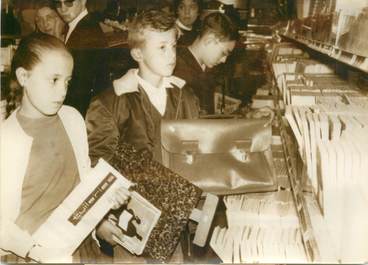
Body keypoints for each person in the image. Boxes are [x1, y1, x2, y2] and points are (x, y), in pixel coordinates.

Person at [0, 32, 129, 263]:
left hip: (79, 246)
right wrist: (36, 251)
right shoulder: (6, 139)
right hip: (31, 255)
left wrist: (104, 203)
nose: (62, 91)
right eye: (54, 80)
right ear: (23, 76)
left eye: (67, 81)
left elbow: (81, 181)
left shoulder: (72, 119)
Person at [86, 9, 199, 168]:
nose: (172, 55)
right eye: (162, 47)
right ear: (138, 54)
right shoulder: (111, 103)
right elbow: (99, 162)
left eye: (173, 46)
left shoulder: (186, 96)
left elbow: (197, 149)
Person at [174, 12, 239, 115]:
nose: (224, 60)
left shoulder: (207, 67)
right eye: (223, 53)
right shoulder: (178, 70)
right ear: (209, 40)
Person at [53, 0, 109, 117]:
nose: (63, 9)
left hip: (83, 112)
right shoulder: (79, 25)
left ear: (83, 1)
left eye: (68, 2)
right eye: (58, 3)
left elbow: (80, 87)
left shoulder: (87, 30)